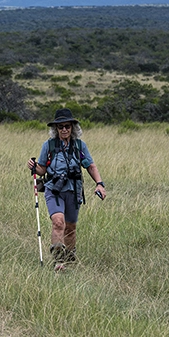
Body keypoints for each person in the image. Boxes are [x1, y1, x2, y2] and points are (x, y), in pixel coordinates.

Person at [28, 108, 106, 270]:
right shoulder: (48, 146)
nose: (64, 129)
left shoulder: (79, 146)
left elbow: (90, 166)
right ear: (56, 129)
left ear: (72, 128)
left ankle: (69, 259)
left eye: (67, 126)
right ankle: (58, 262)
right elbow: (42, 169)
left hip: (74, 190)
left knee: (70, 228)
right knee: (58, 222)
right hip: (54, 190)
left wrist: (100, 183)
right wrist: (35, 167)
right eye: (61, 126)